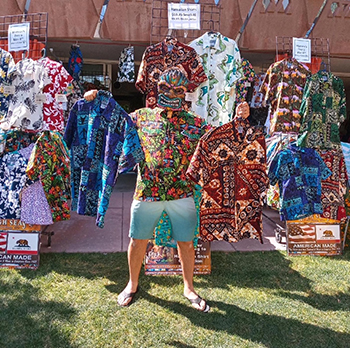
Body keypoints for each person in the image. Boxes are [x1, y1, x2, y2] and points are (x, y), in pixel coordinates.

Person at [84, 67, 250, 312]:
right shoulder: (141, 117)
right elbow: (113, 121)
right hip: (147, 192)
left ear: (186, 92)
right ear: (157, 87)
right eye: (166, 87)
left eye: (178, 89)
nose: (171, 93)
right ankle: (132, 283)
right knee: (137, 240)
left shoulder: (195, 124)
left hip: (181, 193)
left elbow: (220, 141)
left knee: (186, 243)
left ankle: (189, 287)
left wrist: (238, 121)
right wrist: (98, 99)